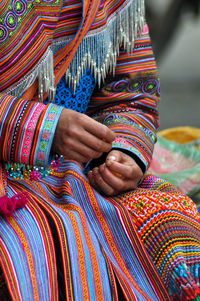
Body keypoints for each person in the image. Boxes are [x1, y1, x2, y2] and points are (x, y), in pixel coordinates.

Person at [0, 0, 200, 300]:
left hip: (83, 172)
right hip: (9, 183)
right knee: (42, 248)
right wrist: (44, 126)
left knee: (172, 221)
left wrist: (123, 152)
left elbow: (133, 93)